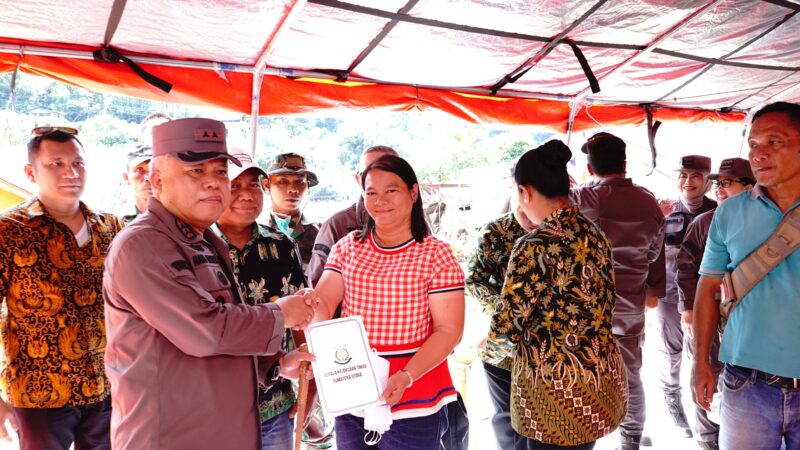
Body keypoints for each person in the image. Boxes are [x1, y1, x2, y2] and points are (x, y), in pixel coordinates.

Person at [102, 118, 315, 450]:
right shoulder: (144, 244)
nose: (214, 183)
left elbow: (225, 329)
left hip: (221, 430)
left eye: (219, 172)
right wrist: (281, 314)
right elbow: (207, 330)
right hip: (171, 436)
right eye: (195, 172)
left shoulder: (202, 242)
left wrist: (274, 365)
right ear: (156, 180)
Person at [310, 155, 465, 449]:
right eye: (371, 193)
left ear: (413, 192)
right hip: (352, 386)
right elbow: (324, 304)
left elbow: (449, 331)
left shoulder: (436, 255)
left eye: (391, 190)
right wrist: (311, 307)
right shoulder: (348, 247)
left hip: (415, 391)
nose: (380, 200)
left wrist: (406, 376)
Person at [492, 140, 627, 450]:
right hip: (598, 382)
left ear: (524, 192)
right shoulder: (595, 234)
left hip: (553, 395)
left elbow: (507, 325)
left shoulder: (534, 246)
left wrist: (489, 351)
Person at [0, 127, 123, 449]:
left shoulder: (111, 228)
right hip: (38, 391)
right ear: (30, 171)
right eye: (56, 164)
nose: (71, 173)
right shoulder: (8, 231)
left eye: (78, 163)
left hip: (105, 385)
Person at [693, 102, 800, 450]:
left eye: (774, 142)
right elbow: (708, 287)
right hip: (746, 383)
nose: (759, 154)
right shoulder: (728, 213)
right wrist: (700, 364)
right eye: (753, 145)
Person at [570, 132, 665, 450]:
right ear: (624, 164)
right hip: (629, 311)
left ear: (589, 166)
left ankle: (586, 435)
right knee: (629, 376)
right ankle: (631, 438)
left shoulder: (582, 198)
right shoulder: (648, 200)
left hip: (586, 313)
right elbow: (654, 254)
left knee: (584, 376)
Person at [213, 150, 309, 450]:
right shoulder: (196, 246)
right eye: (234, 186)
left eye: (253, 185)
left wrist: (312, 392)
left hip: (275, 405)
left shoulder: (282, 246)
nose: (246, 195)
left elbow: (303, 322)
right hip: (212, 408)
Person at [676, 157, 754, 450]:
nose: (719, 189)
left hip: (743, 318)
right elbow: (684, 267)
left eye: (728, 183)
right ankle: (708, 439)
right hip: (707, 311)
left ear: (750, 187)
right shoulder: (704, 222)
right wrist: (688, 309)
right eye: (718, 183)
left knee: (739, 377)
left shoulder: (762, 222)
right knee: (703, 370)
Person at [465, 193, 535, 450]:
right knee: (507, 417)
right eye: (522, 210)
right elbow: (473, 281)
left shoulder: (558, 232)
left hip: (547, 348)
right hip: (503, 343)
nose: (529, 219)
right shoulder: (494, 233)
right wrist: (506, 310)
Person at [656, 154, 717, 438]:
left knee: (705, 354)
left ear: (707, 181)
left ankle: (707, 411)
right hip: (670, 297)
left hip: (708, 298)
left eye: (695, 176)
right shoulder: (664, 211)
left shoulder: (719, 212)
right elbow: (650, 253)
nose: (687, 182)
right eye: (682, 175)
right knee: (672, 353)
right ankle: (672, 398)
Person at [307, 145, 398, 287]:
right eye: (368, 173)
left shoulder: (415, 223)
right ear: (358, 179)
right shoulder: (337, 226)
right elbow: (316, 290)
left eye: (386, 172)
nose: (376, 180)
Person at [263, 153, 320, 268]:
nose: (293, 189)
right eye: (283, 181)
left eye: (300, 182)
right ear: (266, 185)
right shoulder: (256, 231)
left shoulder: (321, 232)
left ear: (307, 185)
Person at [121, 144, 153, 224]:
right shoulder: (117, 221)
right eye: (140, 170)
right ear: (126, 178)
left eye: (153, 169)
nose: (148, 177)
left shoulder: (178, 215)